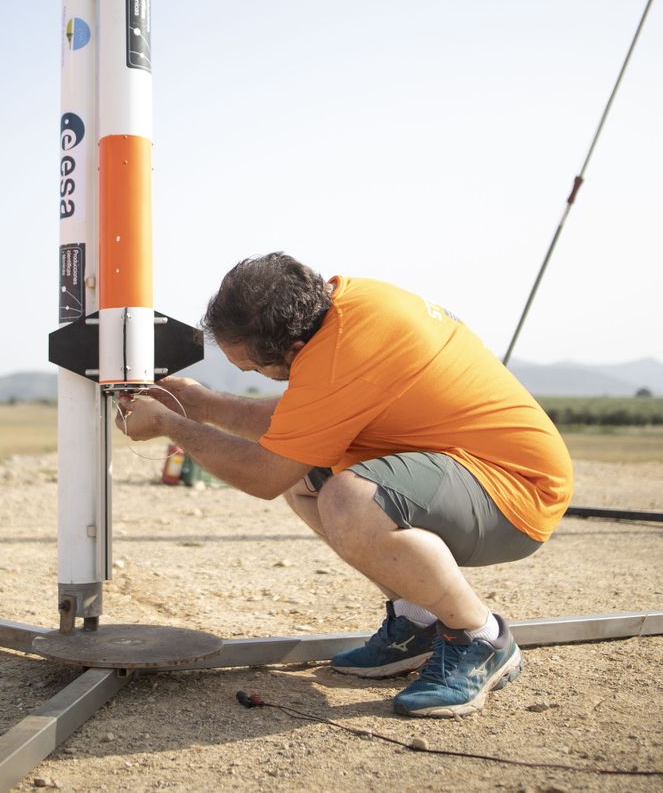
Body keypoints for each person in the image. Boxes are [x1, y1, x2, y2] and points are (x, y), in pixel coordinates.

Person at [117, 253, 573, 718]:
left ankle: (480, 638)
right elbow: (300, 420)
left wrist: (173, 426)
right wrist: (203, 404)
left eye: (254, 369)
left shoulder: (345, 351)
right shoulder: (341, 309)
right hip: (473, 470)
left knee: (349, 499)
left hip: (515, 492)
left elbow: (263, 475)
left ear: (293, 349)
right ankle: (419, 621)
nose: (252, 376)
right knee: (309, 480)